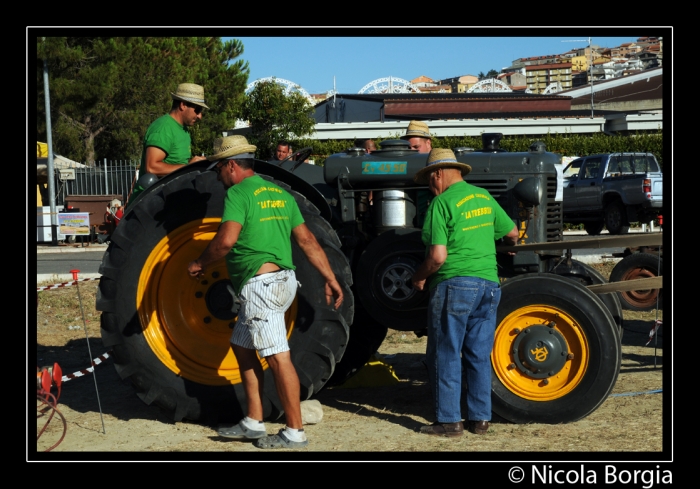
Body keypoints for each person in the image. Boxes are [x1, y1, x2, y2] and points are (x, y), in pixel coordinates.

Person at [187, 135, 343, 449]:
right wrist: (331, 278)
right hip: (283, 282)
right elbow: (308, 242)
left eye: (219, 169)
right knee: (241, 346)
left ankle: (294, 432)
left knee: (277, 357)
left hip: (262, 289)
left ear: (231, 165)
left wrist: (200, 262)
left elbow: (226, 241)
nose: (219, 175)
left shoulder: (238, 193)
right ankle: (253, 422)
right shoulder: (281, 194)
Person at [411, 148, 518, 438]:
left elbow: (437, 257)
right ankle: (480, 419)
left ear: (438, 174)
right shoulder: (483, 196)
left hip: (455, 285)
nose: (430, 186)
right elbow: (513, 234)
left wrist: (418, 278)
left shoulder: (441, 203)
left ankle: (449, 421)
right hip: (489, 285)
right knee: (478, 354)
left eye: (429, 180)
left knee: (446, 352)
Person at [129, 83, 209, 203]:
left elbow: (175, 164)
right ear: (183, 105)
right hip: (150, 207)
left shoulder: (184, 131)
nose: (200, 116)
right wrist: (189, 167)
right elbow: (151, 168)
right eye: (197, 110)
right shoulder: (163, 128)